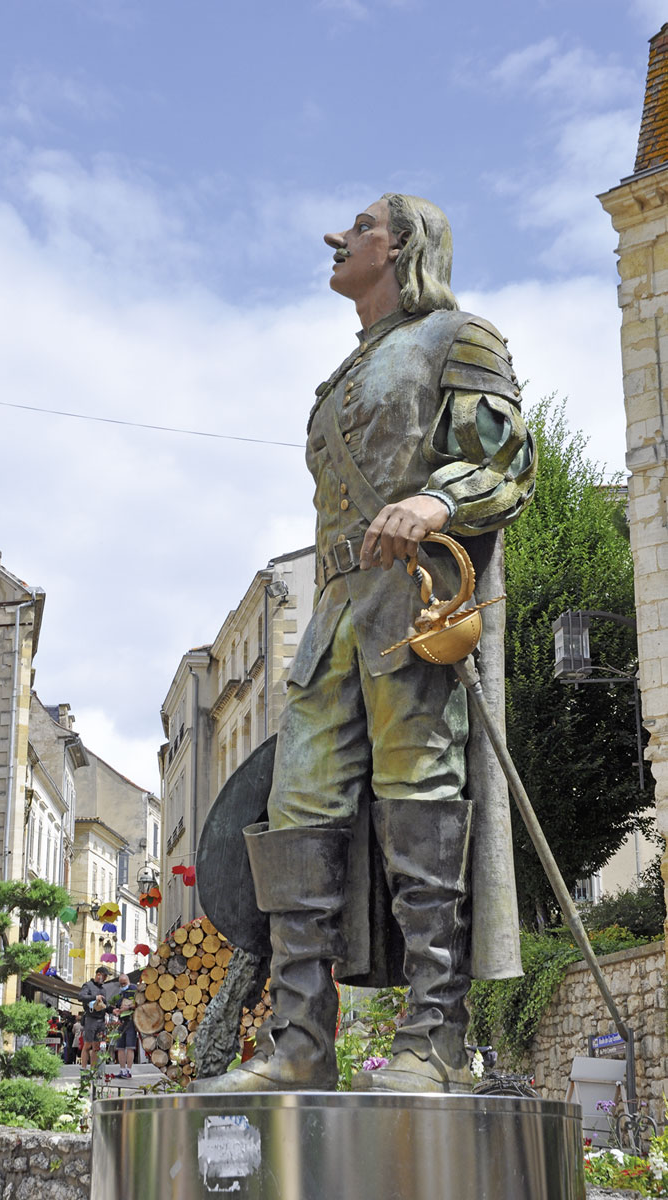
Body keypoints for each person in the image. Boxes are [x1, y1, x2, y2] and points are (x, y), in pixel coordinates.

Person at [192, 194, 535, 1096]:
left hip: (412, 609)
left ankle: (434, 1040)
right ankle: (299, 1042)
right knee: (299, 820)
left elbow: (506, 462)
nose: (337, 239)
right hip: (334, 617)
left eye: (361, 227)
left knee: (423, 804)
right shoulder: (338, 380)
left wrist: (437, 501)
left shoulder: (460, 338)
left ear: (404, 246)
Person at [78, 966, 109, 1069]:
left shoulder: (103, 989)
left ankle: (93, 1070)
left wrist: (113, 1010)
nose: (105, 979)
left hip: (101, 1020)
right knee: (87, 1045)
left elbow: (105, 1005)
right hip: (91, 1019)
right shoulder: (88, 985)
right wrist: (95, 997)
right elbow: (81, 997)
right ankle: (83, 1069)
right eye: (104, 976)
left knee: (97, 1046)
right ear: (98, 975)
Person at [109, 973, 139, 1078]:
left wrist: (129, 1007)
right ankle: (122, 1070)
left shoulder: (135, 989)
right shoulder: (120, 992)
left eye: (124, 983)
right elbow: (117, 1004)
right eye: (121, 984)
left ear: (128, 981)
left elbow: (140, 1003)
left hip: (131, 1020)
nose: (122, 985)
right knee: (120, 1046)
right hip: (121, 1020)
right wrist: (116, 1010)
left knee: (130, 1047)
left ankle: (129, 1070)